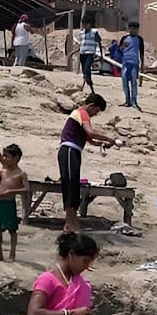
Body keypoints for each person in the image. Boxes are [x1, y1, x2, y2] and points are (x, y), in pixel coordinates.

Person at [56, 94, 115, 234]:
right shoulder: (81, 113)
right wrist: (109, 138)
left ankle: (70, 222)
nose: (95, 114)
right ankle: (71, 223)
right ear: (91, 106)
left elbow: (91, 140)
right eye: (96, 111)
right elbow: (91, 133)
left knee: (73, 186)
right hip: (69, 149)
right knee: (70, 186)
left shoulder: (80, 117)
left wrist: (105, 144)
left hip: (73, 151)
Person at [0, 144, 27, 261]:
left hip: (9, 203)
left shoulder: (21, 173)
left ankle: (12, 253)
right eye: (4, 156)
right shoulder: (3, 171)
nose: (4, 159)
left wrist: (11, 190)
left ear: (16, 158)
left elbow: (26, 188)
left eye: (7, 157)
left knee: (12, 229)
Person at [119, 20, 145, 109]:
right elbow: (120, 49)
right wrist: (123, 46)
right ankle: (127, 100)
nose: (132, 30)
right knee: (124, 81)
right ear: (128, 28)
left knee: (134, 82)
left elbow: (141, 53)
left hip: (134, 63)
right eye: (131, 28)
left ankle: (134, 101)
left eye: (135, 29)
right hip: (125, 63)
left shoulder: (140, 39)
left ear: (137, 29)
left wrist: (142, 64)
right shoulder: (124, 38)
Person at [78, 21, 102, 91]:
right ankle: (91, 88)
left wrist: (101, 55)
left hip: (90, 53)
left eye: (86, 24)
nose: (85, 26)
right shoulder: (81, 33)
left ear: (89, 24)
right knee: (85, 72)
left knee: (87, 68)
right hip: (82, 53)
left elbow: (99, 42)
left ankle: (89, 82)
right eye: (83, 24)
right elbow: (81, 43)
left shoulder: (94, 32)